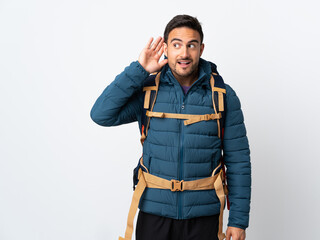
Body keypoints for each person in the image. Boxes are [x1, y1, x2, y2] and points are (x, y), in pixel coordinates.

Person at [90, 14, 251, 240]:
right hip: (154, 214)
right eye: (176, 45)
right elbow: (100, 114)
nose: (184, 53)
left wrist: (238, 220)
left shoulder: (223, 96)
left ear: (201, 49)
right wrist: (139, 69)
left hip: (204, 216)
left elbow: (239, 160)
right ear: (165, 47)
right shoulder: (148, 91)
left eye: (191, 45)